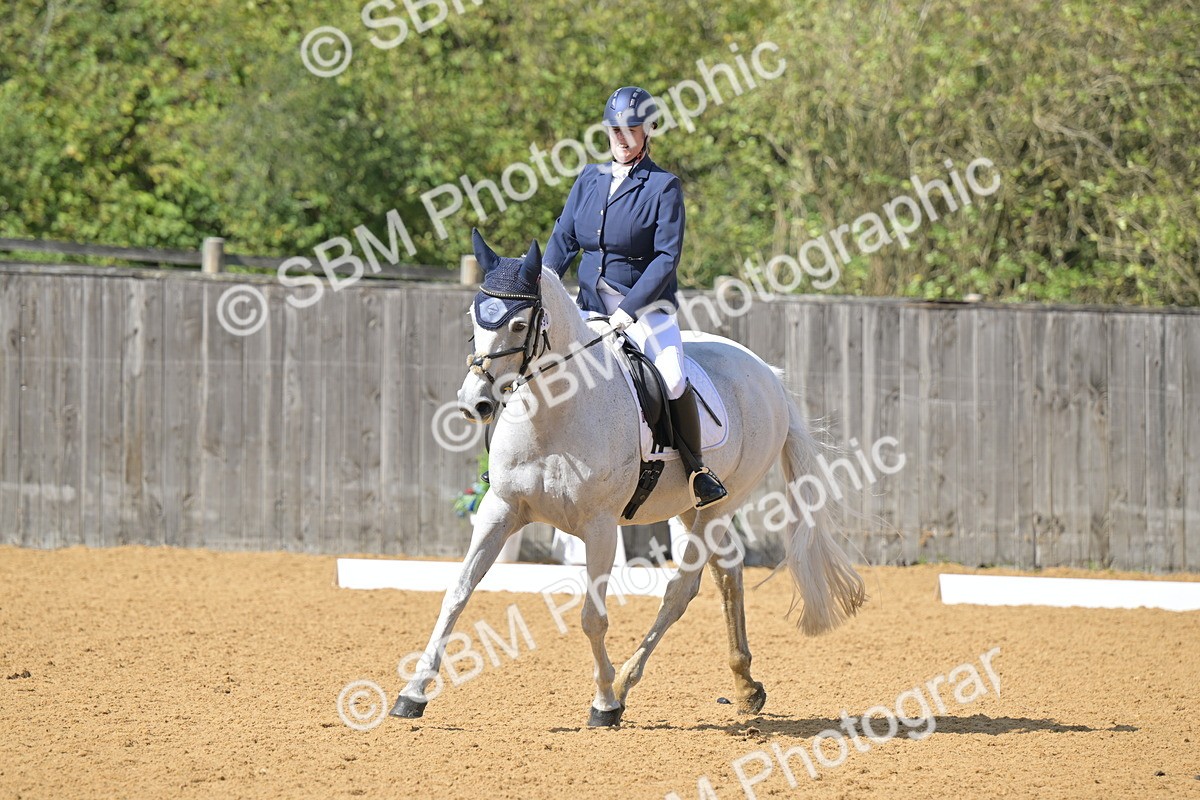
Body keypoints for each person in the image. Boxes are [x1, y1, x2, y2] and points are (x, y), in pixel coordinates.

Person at [543, 86, 726, 508]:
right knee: (539, 361)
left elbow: (665, 259)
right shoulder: (589, 179)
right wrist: (543, 282)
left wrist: (627, 311)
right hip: (587, 306)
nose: (622, 138)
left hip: (645, 308)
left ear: (648, 132)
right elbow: (564, 239)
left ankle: (697, 470)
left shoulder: (664, 186)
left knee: (673, 375)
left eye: (632, 130)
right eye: (615, 130)